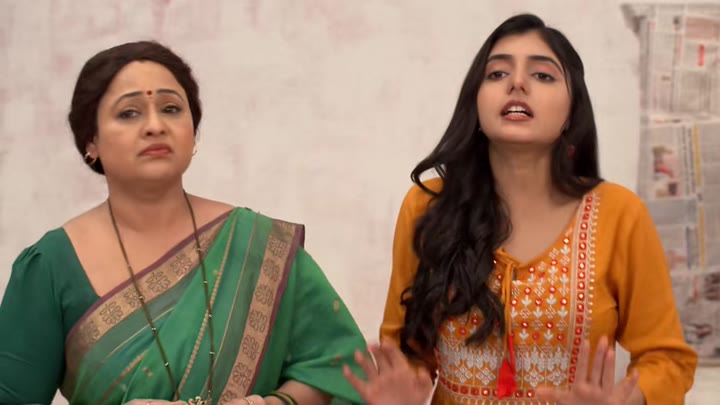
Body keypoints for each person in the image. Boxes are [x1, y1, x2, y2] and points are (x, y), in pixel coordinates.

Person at [344, 13, 697, 405]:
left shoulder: (620, 214)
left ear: (572, 112)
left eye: (543, 75)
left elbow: (667, 359)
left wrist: (622, 401)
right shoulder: (427, 206)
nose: (516, 83)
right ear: (475, 102)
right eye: (497, 73)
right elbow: (406, 353)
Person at [0, 41, 368, 405]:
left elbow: (341, 372)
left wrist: (272, 404)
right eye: (129, 113)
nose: (155, 126)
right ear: (91, 141)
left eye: (171, 109)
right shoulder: (50, 266)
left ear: (193, 131)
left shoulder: (258, 247)